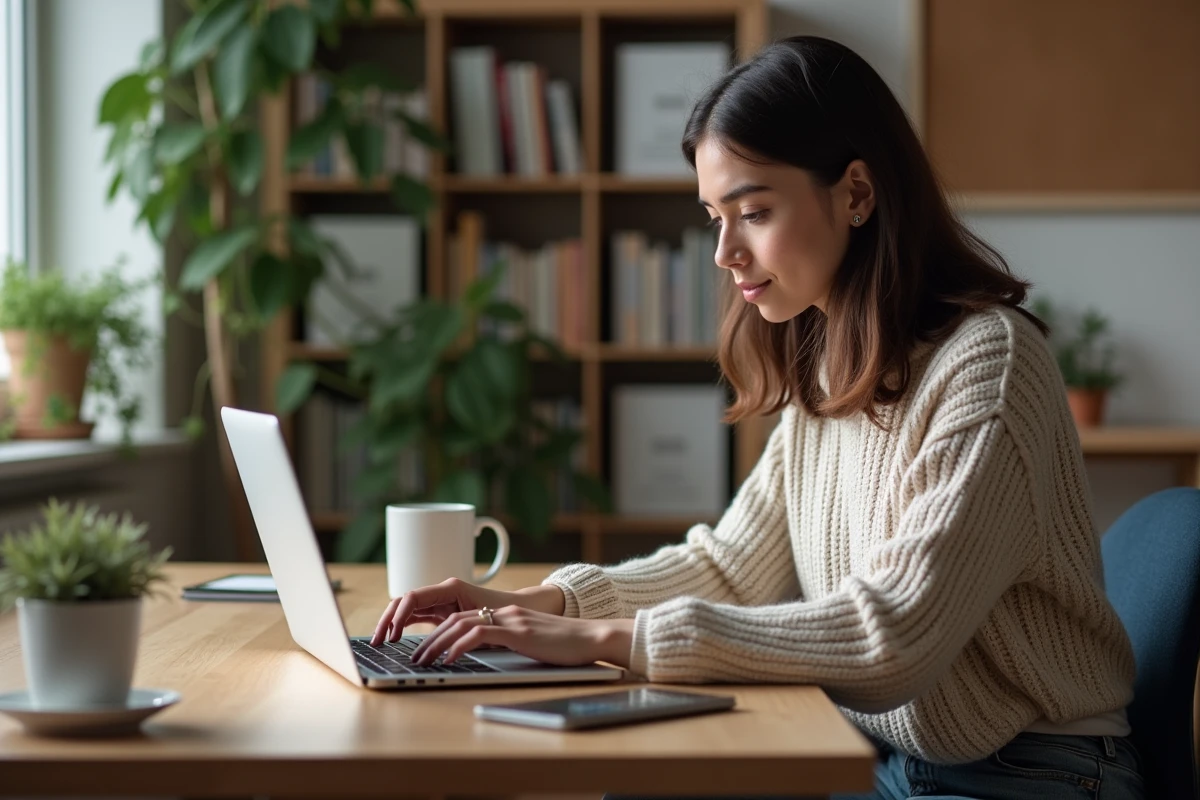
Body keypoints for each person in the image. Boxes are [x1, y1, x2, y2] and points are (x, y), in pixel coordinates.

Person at [371, 35, 1144, 799]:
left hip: (1035, 776)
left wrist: (609, 640)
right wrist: (542, 604)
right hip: (884, 758)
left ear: (857, 194)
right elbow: (730, 568)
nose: (724, 252)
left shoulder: (988, 364)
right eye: (714, 217)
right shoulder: (833, 363)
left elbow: (894, 639)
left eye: (754, 211)